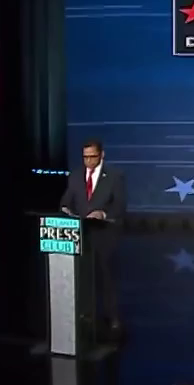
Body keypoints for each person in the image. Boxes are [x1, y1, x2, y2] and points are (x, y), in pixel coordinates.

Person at [59, 140, 126, 336]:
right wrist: (65, 209)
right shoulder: (75, 176)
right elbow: (66, 201)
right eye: (85, 157)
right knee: (83, 277)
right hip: (81, 234)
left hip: (105, 233)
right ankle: (85, 315)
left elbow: (120, 205)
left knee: (106, 276)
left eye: (92, 157)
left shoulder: (115, 176)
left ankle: (112, 317)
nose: (88, 161)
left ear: (102, 155)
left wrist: (103, 214)